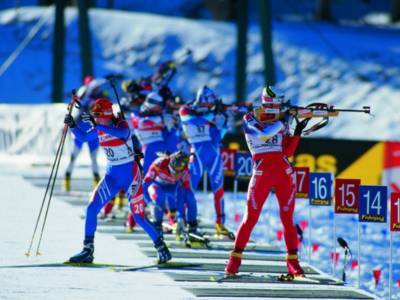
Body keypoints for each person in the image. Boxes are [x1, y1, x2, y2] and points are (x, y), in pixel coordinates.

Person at [64, 98, 171, 264]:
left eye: (98, 115)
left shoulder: (121, 124)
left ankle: (161, 247)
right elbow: (84, 137)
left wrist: (97, 125)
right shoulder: (99, 127)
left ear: (107, 114)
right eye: (95, 116)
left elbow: (121, 134)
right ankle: (87, 250)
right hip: (112, 175)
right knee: (92, 208)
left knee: (138, 217)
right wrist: (72, 125)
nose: (96, 119)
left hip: (131, 175)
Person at [225, 86, 308, 278]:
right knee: (250, 218)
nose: (282, 105)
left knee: (288, 219)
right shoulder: (250, 118)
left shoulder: (281, 120)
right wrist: (284, 119)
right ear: (270, 101)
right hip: (262, 172)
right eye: (279, 102)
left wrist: (296, 133)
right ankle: (234, 261)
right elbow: (263, 134)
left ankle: (293, 263)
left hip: (284, 172)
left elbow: (287, 152)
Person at [179, 86, 231, 237]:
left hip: (213, 153)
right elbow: (192, 120)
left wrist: (223, 119)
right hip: (196, 153)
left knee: (219, 189)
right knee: (189, 189)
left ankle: (220, 224)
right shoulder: (186, 109)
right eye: (210, 102)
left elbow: (218, 136)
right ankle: (184, 221)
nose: (212, 105)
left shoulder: (212, 113)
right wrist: (212, 115)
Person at [63, 76, 106, 191]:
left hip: (93, 129)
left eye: (96, 87)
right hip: (81, 127)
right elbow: (78, 106)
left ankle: (96, 182)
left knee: (94, 158)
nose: (95, 89)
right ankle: (67, 177)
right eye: (93, 87)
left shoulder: (101, 95)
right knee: (74, 156)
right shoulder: (83, 92)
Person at [143, 150, 198, 238]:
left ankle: (192, 227)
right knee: (159, 198)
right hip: (158, 185)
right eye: (176, 170)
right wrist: (149, 203)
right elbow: (144, 186)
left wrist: (180, 217)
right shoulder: (158, 164)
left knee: (190, 198)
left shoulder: (185, 170)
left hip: (173, 187)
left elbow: (182, 193)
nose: (178, 173)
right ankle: (157, 226)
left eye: (181, 170)